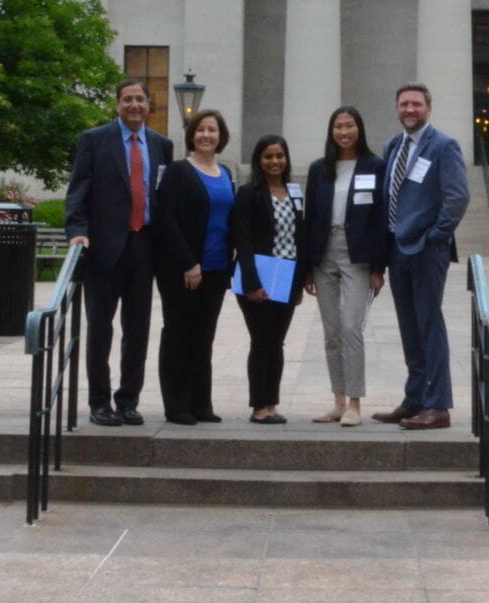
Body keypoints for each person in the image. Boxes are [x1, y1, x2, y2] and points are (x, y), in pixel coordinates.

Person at [65, 78, 175, 427]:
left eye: (140, 99)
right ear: (117, 104)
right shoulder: (94, 140)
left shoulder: (162, 145)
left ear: (148, 105)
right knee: (100, 329)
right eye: (127, 99)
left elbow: (164, 197)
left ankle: (128, 400)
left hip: (145, 247)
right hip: (103, 249)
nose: (134, 105)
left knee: (138, 329)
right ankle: (99, 403)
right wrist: (77, 232)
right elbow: (77, 192)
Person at [373, 82, 470, 431]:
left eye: (415, 104)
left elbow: (457, 197)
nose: (409, 110)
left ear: (428, 108)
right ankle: (414, 399)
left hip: (427, 251)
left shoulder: (443, 146)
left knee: (429, 325)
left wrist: (435, 238)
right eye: (403, 104)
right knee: (409, 328)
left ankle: (438, 406)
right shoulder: (393, 146)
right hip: (397, 249)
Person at [301, 106, 388, 427]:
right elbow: (310, 218)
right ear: (331, 131)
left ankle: (355, 402)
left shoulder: (375, 166)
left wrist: (379, 267)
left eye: (349, 125)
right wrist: (308, 266)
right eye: (338, 126)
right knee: (332, 331)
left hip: (359, 254)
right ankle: (338, 400)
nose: (343, 132)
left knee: (352, 328)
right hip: (324, 254)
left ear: (359, 129)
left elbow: (381, 219)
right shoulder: (319, 169)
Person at [153, 108, 235, 425]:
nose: (206, 135)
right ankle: (177, 405)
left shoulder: (225, 173)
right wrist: (188, 262)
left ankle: (202, 403)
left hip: (216, 270)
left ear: (221, 136)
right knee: (178, 335)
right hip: (183, 270)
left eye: (212, 130)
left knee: (203, 338)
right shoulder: (177, 171)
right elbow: (166, 221)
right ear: (192, 135)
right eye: (201, 130)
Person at [229, 133, 305, 424]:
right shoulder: (249, 193)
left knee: (277, 342)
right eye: (268, 157)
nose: (275, 162)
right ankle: (259, 406)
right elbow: (243, 240)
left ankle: (272, 403)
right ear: (259, 161)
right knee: (262, 340)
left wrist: (299, 282)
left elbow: (301, 237)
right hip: (258, 275)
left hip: (286, 275)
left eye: (280, 156)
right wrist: (252, 282)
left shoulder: (295, 191)